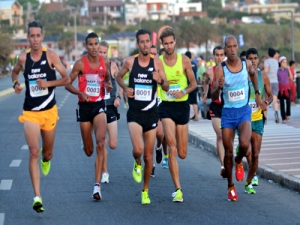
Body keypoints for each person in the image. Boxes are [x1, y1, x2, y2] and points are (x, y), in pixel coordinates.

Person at [12, 20, 70, 212]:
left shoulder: (51, 56)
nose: (35, 39)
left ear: (42, 37)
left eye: (38, 36)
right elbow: (15, 73)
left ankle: (47, 160)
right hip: (30, 112)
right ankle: (37, 197)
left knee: (47, 153)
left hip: (49, 111)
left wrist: (48, 84)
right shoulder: (23, 58)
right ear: (28, 38)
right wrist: (16, 84)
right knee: (34, 151)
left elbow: (66, 78)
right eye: (32, 36)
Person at [116, 29, 169, 204]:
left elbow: (167, 86)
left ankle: (145, 190)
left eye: (148, 41)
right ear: (137, 44)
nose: (145, 44)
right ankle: (136, 162)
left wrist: (160, 81)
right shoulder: (130, 62)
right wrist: (125, 88)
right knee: (138, 150)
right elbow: (118, 76)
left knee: (149, 157)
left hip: (152, 114)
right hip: (135, 113)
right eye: (142, 42)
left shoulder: (157, 63)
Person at [65, 32, 112, 201]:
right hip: (84, 107)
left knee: (101, 144)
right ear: (86, 46)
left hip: (99, 106)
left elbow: (108, 80)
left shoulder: (105, 62)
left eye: (96, 44)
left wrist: (109, 85)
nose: (94, 48)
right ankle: (85, 143)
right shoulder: (80, 64)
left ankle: (97, 187)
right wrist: (79, 92)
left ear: (99, 45)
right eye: (90, 45)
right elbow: (67, 84)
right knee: (89, 150)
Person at [214, 35, 261, 201]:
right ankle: (230, 186)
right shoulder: (221, 68)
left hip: (243, 111)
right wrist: (218, 87)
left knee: (244, 144)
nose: (233, 49)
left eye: (235, 46)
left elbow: (254, 74)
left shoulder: (246, 64)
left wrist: (256, 93)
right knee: (227, 152)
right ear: (225, 49)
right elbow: (212, 94)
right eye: (229, 47)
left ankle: (238, 160)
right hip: (227, 113)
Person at [158, 27, 197, 202]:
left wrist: (183, 91)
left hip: (182, 106)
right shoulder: (158, 62)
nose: (168, 46)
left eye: (171, 43)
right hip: (165, 106)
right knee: (172, 147)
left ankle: (169, 152)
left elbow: (194, 83)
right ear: (162, 44)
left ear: (175, 42)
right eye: (165, 43)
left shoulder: (185, 61)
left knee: (182, 153)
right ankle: (178, 189)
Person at [236, 48, 273, 193]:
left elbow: (270, 95)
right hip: (244, 119)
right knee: (248, 150)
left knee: (256, 153)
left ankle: (250, 179)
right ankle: (251, 176)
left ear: (258, 59)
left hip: (258, 118)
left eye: (255, 58)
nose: (253, 61)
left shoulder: (263, 77)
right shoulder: (241, 76)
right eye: (250, 58)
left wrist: (266, 103)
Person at [98, 40, 122, 183]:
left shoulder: (112, 66)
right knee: (102, 142)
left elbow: (120, 83)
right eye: (99, 52)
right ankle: (105, 172)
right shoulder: (92, 67)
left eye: (103, 52)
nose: (101, 54)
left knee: (112, 144)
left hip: (111, 106)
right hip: (98, 107)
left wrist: (118, 97)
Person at [204, 46, 226, 177]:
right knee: (220, 136)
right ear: (213, 56)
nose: (219, 57)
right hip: (215, 106)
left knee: (228, 137)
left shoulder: (229, 70)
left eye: (221, 55)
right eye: (217, 55)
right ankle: (224, 165)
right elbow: (206, 82)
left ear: (224, 56)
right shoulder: (209, 71)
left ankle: (228, 161)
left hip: (228, 107)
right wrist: (205, 94)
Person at [264, 48, 279, 123]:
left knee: (267, 100)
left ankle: (265, 118)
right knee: (275, 100)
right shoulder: (276, 62)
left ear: (268, 53)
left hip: (268, 82)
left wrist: (261, 73)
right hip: (275, 82)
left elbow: (266, 71)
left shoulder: (267, 61)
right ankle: (276, 113)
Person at [277, 56, 293, 123]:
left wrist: (289, 69)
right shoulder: (278, 70)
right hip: (280, 89)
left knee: (288, 102)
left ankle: (287, 114)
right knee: (282, 103)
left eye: (286, 62)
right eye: (283, 62)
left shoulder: (287, 70)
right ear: (280, 63)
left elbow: (291, 78)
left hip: (287, 88)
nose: (285, 64)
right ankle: (283, 117)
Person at [185, 51, 199, 121]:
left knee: (187, 102)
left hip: (187, 85)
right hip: (194, 84)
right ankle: (196, 116)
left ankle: (187, 117)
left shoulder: (185, 64)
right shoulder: (194, 64)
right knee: (194, 101)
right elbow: (196, 73)